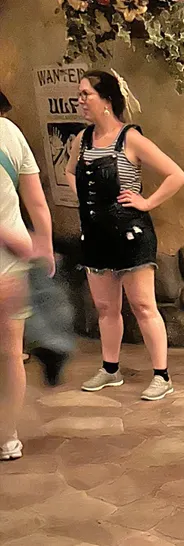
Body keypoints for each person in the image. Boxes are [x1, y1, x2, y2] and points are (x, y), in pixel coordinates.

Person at [65, 70, 184, 401]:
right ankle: (110, 369)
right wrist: (84, 199)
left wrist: (146, 202)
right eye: (79, 94)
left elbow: (176, 175)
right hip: (95, 234)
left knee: (143, 305)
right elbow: (70, 171)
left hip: (131, 234)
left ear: (106, 100)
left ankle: (162, 375)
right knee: (106, 307)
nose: (80, 101)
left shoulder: (130, 139)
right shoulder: (82, 140)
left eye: (86, 94)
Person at [0, 115, 55, 460]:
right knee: (10, 353)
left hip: (9, 252)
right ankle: (7, 437)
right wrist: (44, 244)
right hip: (11, 261)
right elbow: (35, 200)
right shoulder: (10, 132)